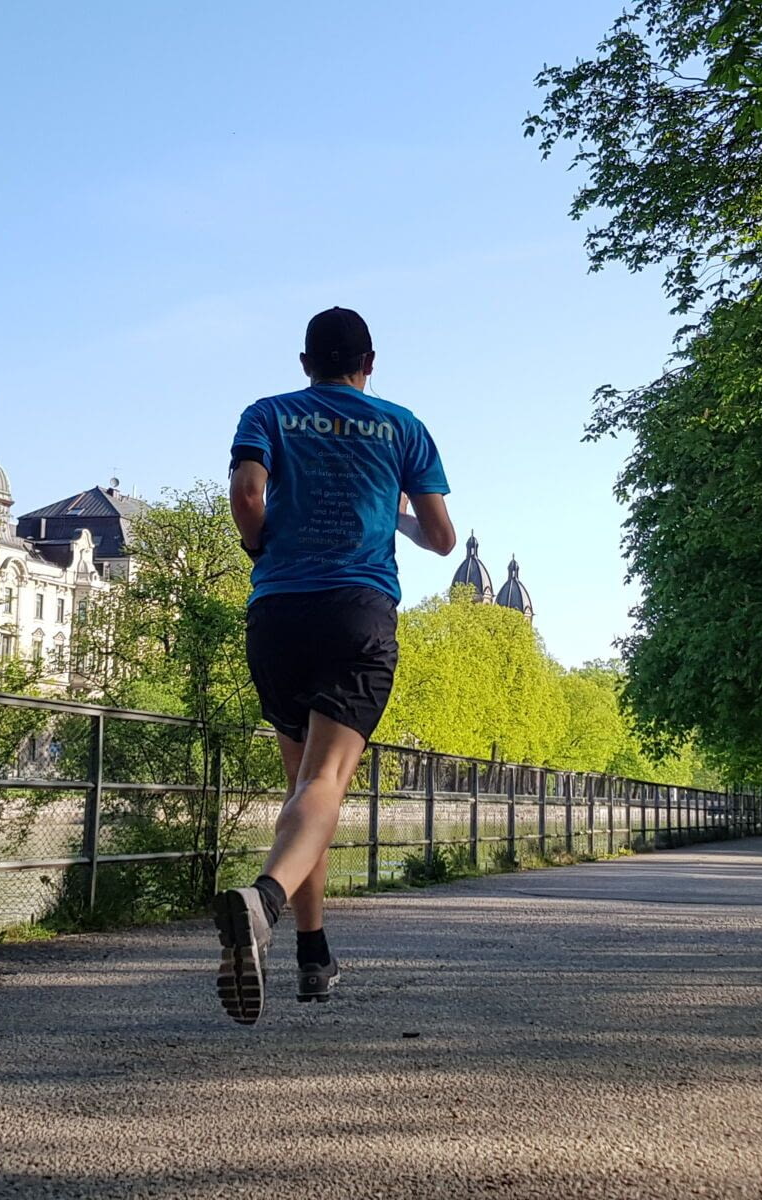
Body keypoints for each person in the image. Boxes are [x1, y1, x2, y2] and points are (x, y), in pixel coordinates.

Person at [215, 306, 456, 1025]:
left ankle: (313, 956)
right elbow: (441, 538)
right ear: (370, 362)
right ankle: (263, 904)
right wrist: (393, 519)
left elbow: (247, 496)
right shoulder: (403, 426)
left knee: (301, 793)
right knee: (324, 785)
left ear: (304, 362)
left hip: (279, 614)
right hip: (357, 611)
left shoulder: (268, 413)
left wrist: (265, 551)